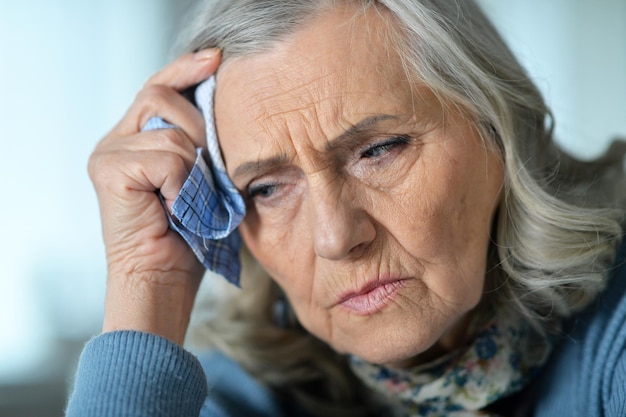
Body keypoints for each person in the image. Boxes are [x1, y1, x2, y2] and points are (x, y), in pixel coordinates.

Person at [66, 0, 626, 416]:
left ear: (497, 129)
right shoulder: (236, 397)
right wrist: (148, 278)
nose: (336, 236)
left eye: (379, 150)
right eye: (266, 188)